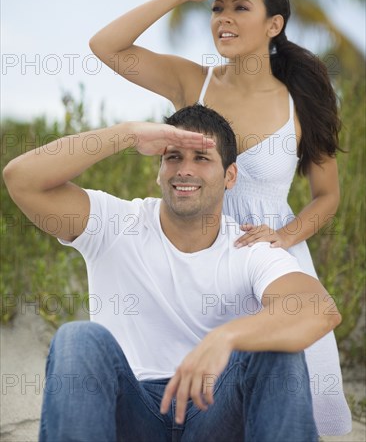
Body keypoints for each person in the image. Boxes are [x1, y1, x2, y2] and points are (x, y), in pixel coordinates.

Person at [89, 0, 352, 435]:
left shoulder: (304, 100)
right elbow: (106, 47)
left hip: (269, 260)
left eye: (240, 7)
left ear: (274, 24)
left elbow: (327, 196)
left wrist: (284, 237)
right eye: (217, 9)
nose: (223, 19)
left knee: (277, 379)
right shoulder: (194, 82)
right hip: (198, 252)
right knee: (199, 384)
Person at [4, 104, 341, 442]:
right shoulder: (116, 223)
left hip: (214, 413)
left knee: (275, 352)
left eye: (202, 158)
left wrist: (226, 337)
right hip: (132, 411)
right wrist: (129, 133)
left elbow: (319, 310)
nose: (185, 170)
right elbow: (22, 179)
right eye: (174, 157)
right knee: (77, 339)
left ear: (230, 176)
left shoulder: (251, 247)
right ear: (159, 169)